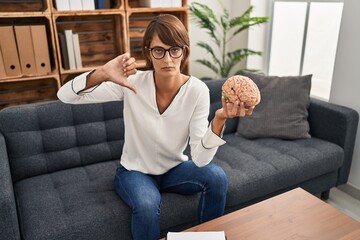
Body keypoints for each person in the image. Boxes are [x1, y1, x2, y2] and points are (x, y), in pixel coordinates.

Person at [57, 14, 254, 240]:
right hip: (134, 172)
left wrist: (219, 119)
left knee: (217, 177)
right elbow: (65, 95)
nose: (167, 59)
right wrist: (102, 73)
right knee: (147, 203)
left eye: (174, 50)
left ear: (184, 51)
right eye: (159, 50)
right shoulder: (130, 83)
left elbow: (200, 160)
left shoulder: (197, 91)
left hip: (174, 170)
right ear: (148, 53)